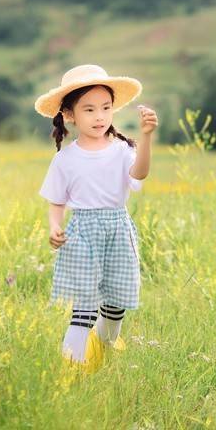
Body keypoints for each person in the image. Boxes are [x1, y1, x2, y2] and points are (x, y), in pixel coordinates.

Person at [34, 64, 158, 372]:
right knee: (84, 310)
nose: (99, 116)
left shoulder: (122, 151)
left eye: (105, 108)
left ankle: (101, 350)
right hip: (82, 234)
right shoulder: (65, 159)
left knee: (116, 307)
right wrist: (54, 226)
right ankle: (71, 371)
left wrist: (146, 138)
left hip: (117, 229)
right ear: (70, 114)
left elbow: (140, 173)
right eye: (89, 109)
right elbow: (56, 201)